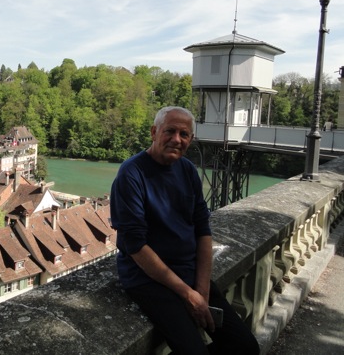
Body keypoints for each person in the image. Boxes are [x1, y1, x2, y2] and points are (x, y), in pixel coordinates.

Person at [110, 106, 260, 355]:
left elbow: (203, 230)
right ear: (154, 132)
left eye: (184, 134)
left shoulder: (188, 170)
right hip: (148, 280)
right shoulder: (131, 174)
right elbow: (135, 246)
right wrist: (187, 294)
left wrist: (201, 291)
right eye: (169, 131)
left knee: (245, 347)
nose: (176, 139)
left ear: (191, 139)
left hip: (188, 274)